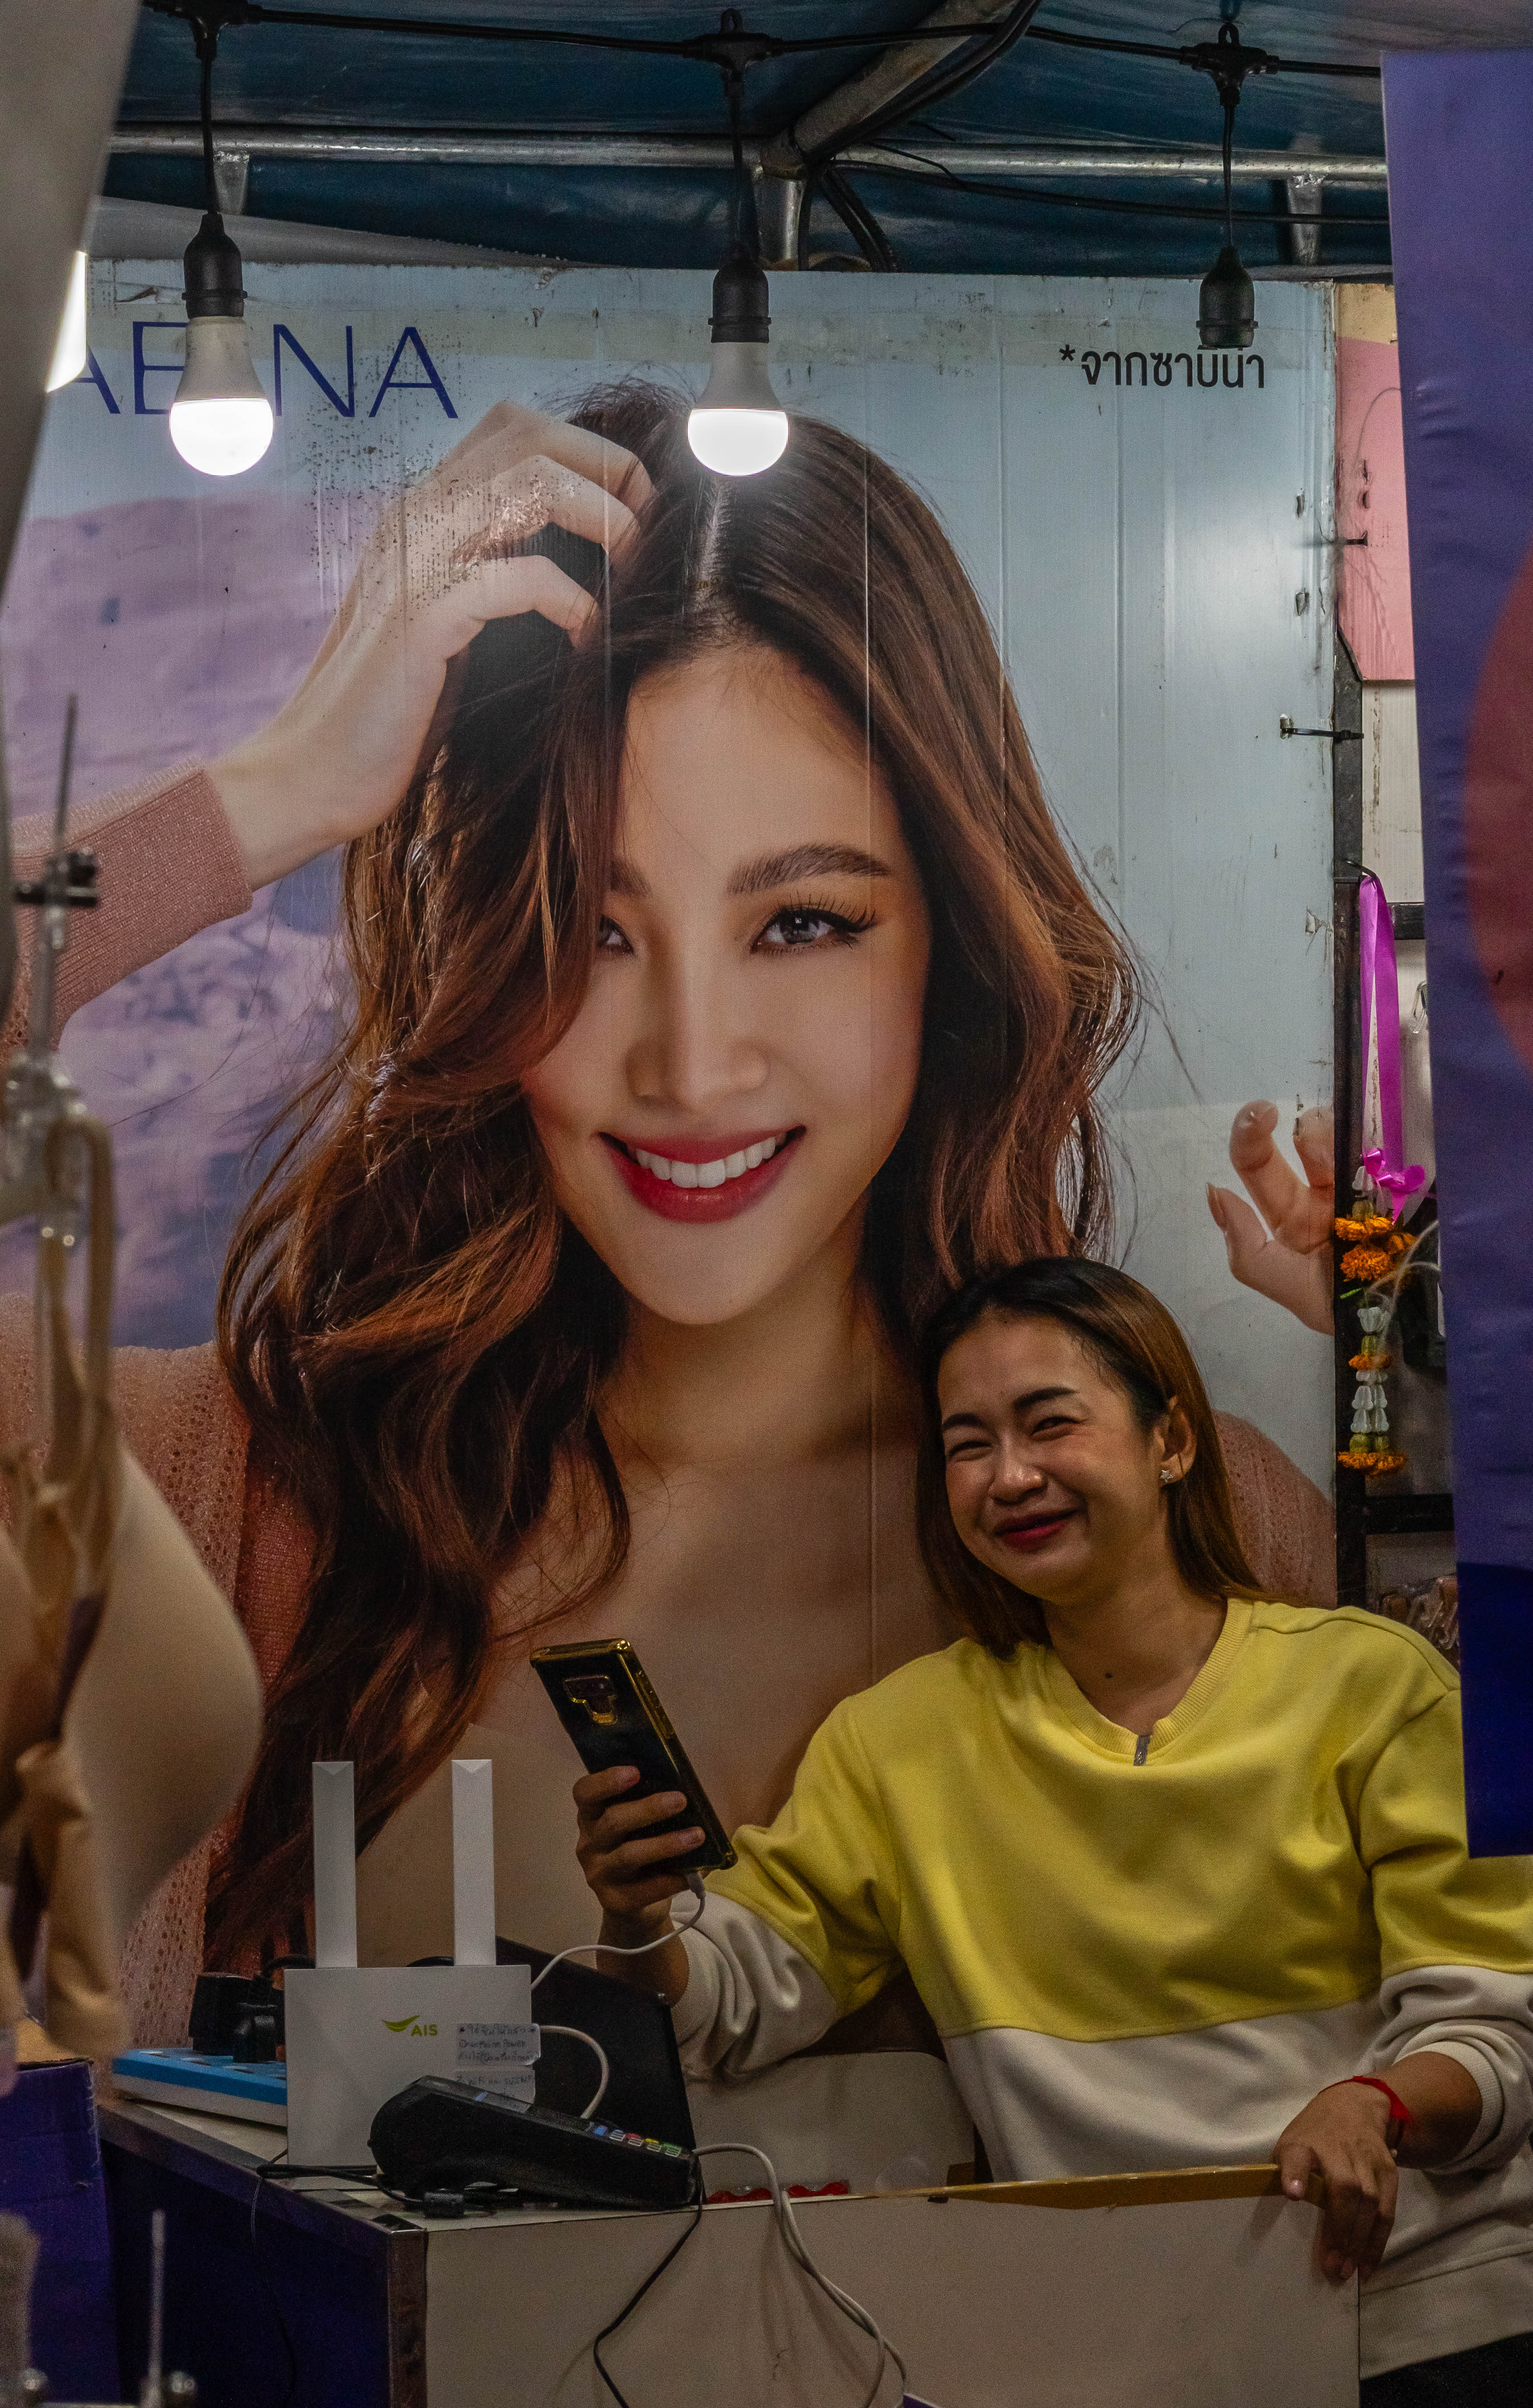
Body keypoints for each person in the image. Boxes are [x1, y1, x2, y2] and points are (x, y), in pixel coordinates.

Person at [1, 390, 1330, 2124]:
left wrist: (1453, 1413)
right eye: (587, 928)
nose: (692, 1064)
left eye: (802, 923)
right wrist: (274, 792)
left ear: (952, 946)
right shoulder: (224, 1487)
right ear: (482, 954)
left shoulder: (1207, 1527)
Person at [575, 1258, 1533, 2408]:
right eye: (968, 1444)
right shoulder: (903, 1742)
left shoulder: (1371, 1688)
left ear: (1173, 1443)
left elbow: (1496, 2046)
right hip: (1116, 2361)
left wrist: (1376, 2104)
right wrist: (638, 1919)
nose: (1012, 1477)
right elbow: (734, 2003)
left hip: (1415, 2334)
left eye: (1051, 1424)